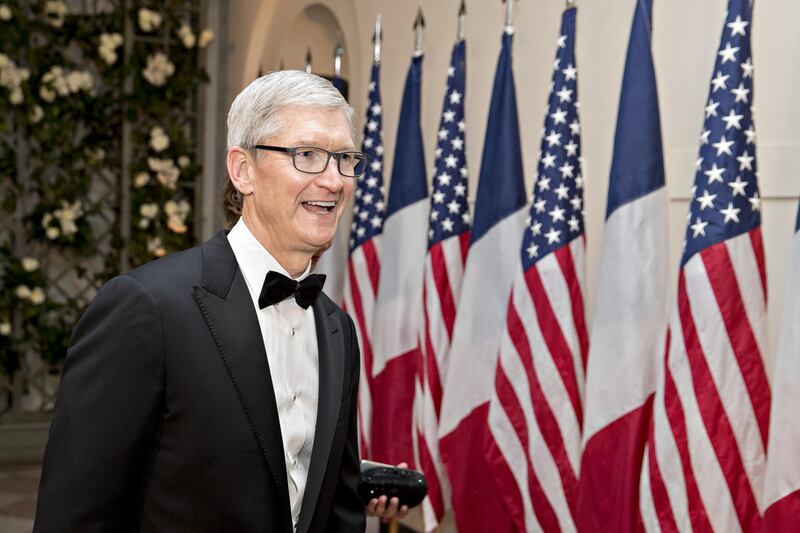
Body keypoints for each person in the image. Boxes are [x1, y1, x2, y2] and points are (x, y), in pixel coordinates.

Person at [34, 70, 392, 532]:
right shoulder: (147, 309)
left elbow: (337, 509)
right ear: (242, 169)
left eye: (344, 158)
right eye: (307, 155)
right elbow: (76, 514)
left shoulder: (337, 328)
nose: (334, 180)